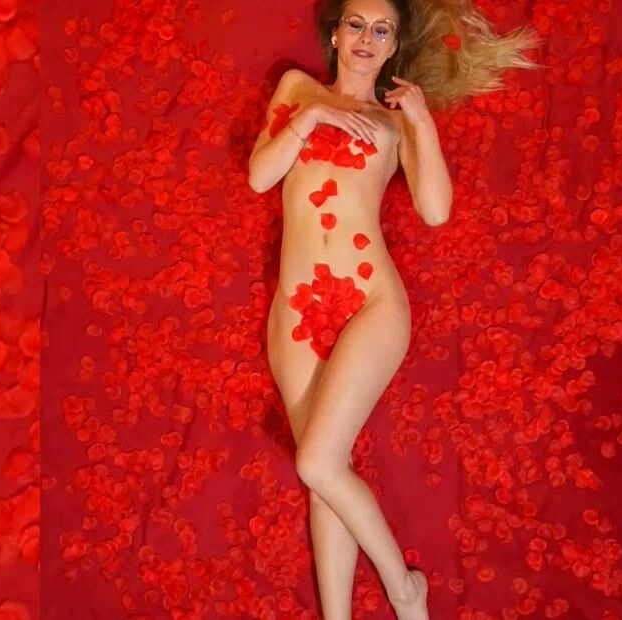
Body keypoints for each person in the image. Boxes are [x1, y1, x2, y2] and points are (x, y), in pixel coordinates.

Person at [246, 0, 536, 617]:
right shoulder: (297, 89)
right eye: (356, 24)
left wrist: (422, 121)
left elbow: (434, 211)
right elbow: (259, 177)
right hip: (297, 308)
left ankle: (405, 589)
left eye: (382, 30)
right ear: (335, 33)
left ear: (394, 45)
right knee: (324, 473)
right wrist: (311, 116)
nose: (367, 38)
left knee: (318, 461)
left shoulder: (394, 121)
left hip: (370, 300)